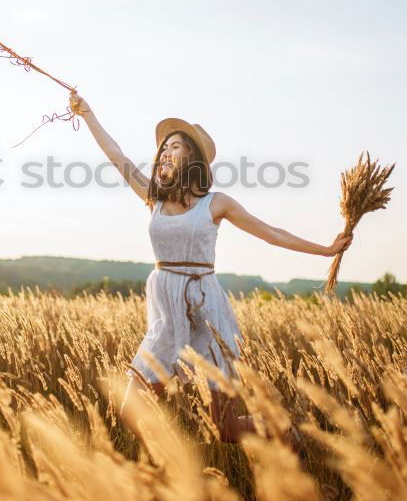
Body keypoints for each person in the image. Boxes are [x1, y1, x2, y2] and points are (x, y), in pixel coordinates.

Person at [68, 91, 353, 444]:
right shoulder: (153, 197)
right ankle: (173, 472)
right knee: (132, 407)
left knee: (224, 427)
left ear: (193, 158)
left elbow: (270, 233)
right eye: (164, 146)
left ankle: (284, 434)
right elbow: (116, 156)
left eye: (175, 146)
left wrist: (325, 250)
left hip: (206, 311)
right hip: (166, 315)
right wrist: (88, 114)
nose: (165, 152)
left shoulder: (216, 204)